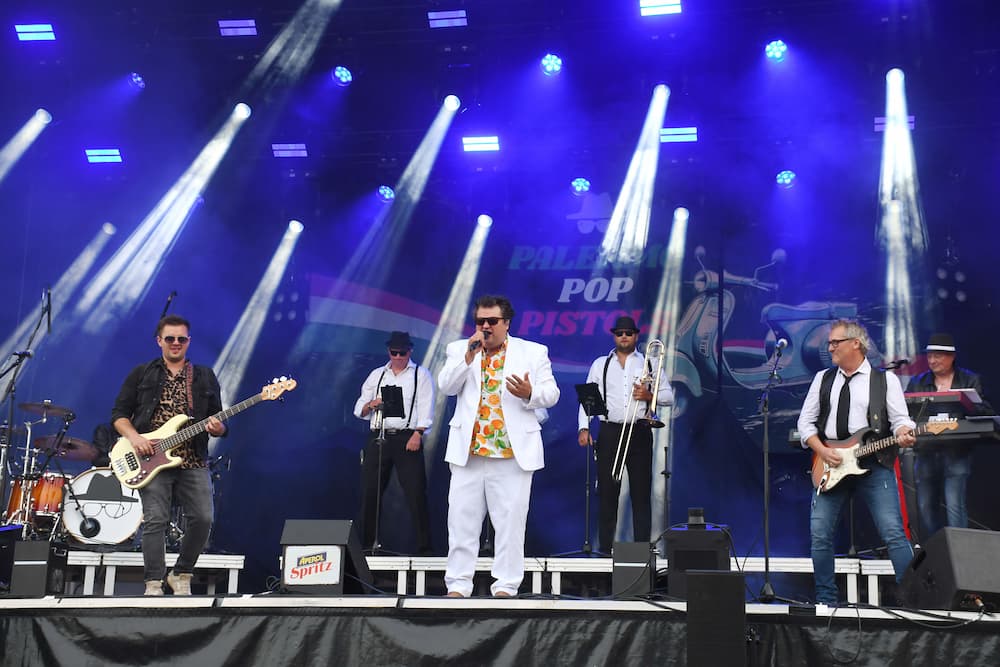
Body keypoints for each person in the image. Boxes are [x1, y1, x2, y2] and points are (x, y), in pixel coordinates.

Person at [438, 295, 560, 598]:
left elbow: (552, 394)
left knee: (510, 524)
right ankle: (458, 584)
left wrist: (531, 393)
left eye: (492, 321)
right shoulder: (460, 349)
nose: (485, 326)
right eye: (480, 321)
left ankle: (506, 585)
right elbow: (446, 386)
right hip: (470, 451)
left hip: (511, 453)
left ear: (506, 323)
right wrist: (468, 356)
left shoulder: (532, 351)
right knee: (461, 521)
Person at [797, 319, 915, 606]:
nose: (829, 348)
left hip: (873, 465)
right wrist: (822, 451)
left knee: (893, 532)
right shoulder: (823, 379)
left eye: (835, 342)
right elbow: (805, 423)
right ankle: (826, 601)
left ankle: (914, 599)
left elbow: (900, 420)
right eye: (829, 343)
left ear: (856, 344)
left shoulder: (884, 380)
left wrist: (904, 432)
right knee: (820, 534)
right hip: (831, 464)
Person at [111, 315, 227, 596]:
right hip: (150, 457)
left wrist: (218, 428)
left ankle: (181, 573)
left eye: (181, 339)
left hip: (193, 459)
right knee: (156, 520)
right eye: (170, 338)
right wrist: (136, 438)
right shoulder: (142, 373)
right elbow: (119, 415)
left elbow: (219, 421)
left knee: (203, 519)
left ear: (189, 341)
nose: (176, 343)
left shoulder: (204, 376)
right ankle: (153, 583)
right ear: (159, 341)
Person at [577, 316, 673, 552]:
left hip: (639, 430)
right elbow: (589, 399)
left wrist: (649, 396)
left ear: (636, 336)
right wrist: (584, 427)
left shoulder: (650, 363)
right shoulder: (600, 364)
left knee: (641, 494)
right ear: (614, 336)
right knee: (607, 493)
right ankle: (605, 551)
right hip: (610, 431)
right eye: (619, 333)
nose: (624, 337)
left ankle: (642, 551)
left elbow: (669, 397)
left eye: (628, 333)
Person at [354, 331, 434, 554]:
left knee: (415, 492)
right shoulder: (377, 374)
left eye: (402, 353)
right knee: (370, 491)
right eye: (394, 352)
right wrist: (371, 404)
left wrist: (418, 433)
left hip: (407, 436)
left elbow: (427, 407)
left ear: (410, 351)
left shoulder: (420, 374)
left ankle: (424, 547)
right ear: (388, 351)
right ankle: (367, 546)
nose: (398, 357)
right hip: (379, 435)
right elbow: (359, 408)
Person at [905, 333, 985, 539]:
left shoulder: (970, 379)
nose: (932, 361)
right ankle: (938, 548)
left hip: (957, 451)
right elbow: (906, 415)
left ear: (951, 357)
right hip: (926, 451)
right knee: (925, 505)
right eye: (930, 356)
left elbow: (983, 412)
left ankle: (960, 549)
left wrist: (967, 402)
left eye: (938, 356)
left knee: (954, 503)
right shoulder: (917, 382)